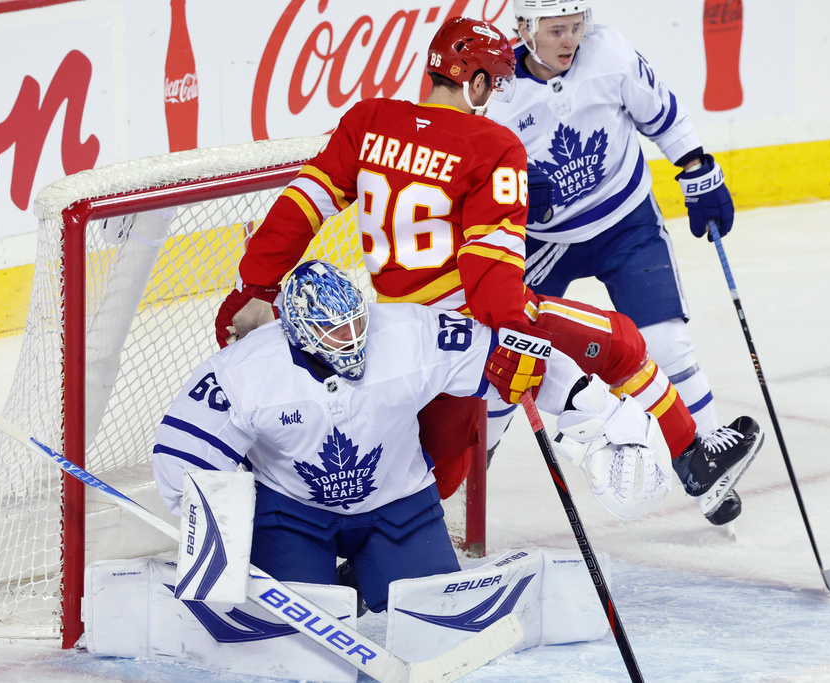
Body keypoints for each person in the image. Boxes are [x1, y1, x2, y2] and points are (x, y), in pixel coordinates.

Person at [215, 16, 760, 526]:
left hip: (391, 330)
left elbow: (301, 207)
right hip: (466, 331)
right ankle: (693, 460)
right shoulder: (492, 145)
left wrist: (254, 285)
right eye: (492, 83)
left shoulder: (368, 122)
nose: (494, 95)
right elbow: (490, 276)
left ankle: (373, 528)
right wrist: (520, 331)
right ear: (474, 81)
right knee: (619, 343)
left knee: (437, 464)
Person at [154, 259, 655, 613]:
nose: (352, 340)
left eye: (356, 325)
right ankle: (314, 575)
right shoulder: (245, 370)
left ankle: (370, 570)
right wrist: (213, 535)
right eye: (334, 334)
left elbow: (513, 358)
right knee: (288, 636)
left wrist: (594, 409)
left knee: (435, 618)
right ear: (300, 334)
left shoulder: (409, 333)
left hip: (399, 505)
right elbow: (184, 453)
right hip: (292, 513)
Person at [486, 0, 746, 516]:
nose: (569, 41)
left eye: (575, 27)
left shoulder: (609, 53)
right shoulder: (497, 93)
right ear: (523, 29)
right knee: (503, 356)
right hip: (545, 242)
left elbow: (662, 112)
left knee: (666, 341)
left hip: (624, 220)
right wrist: (510, 194)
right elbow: (474, 178)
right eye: (555, 30)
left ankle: (708, 461)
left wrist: (695, 166)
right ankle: (467, 474)